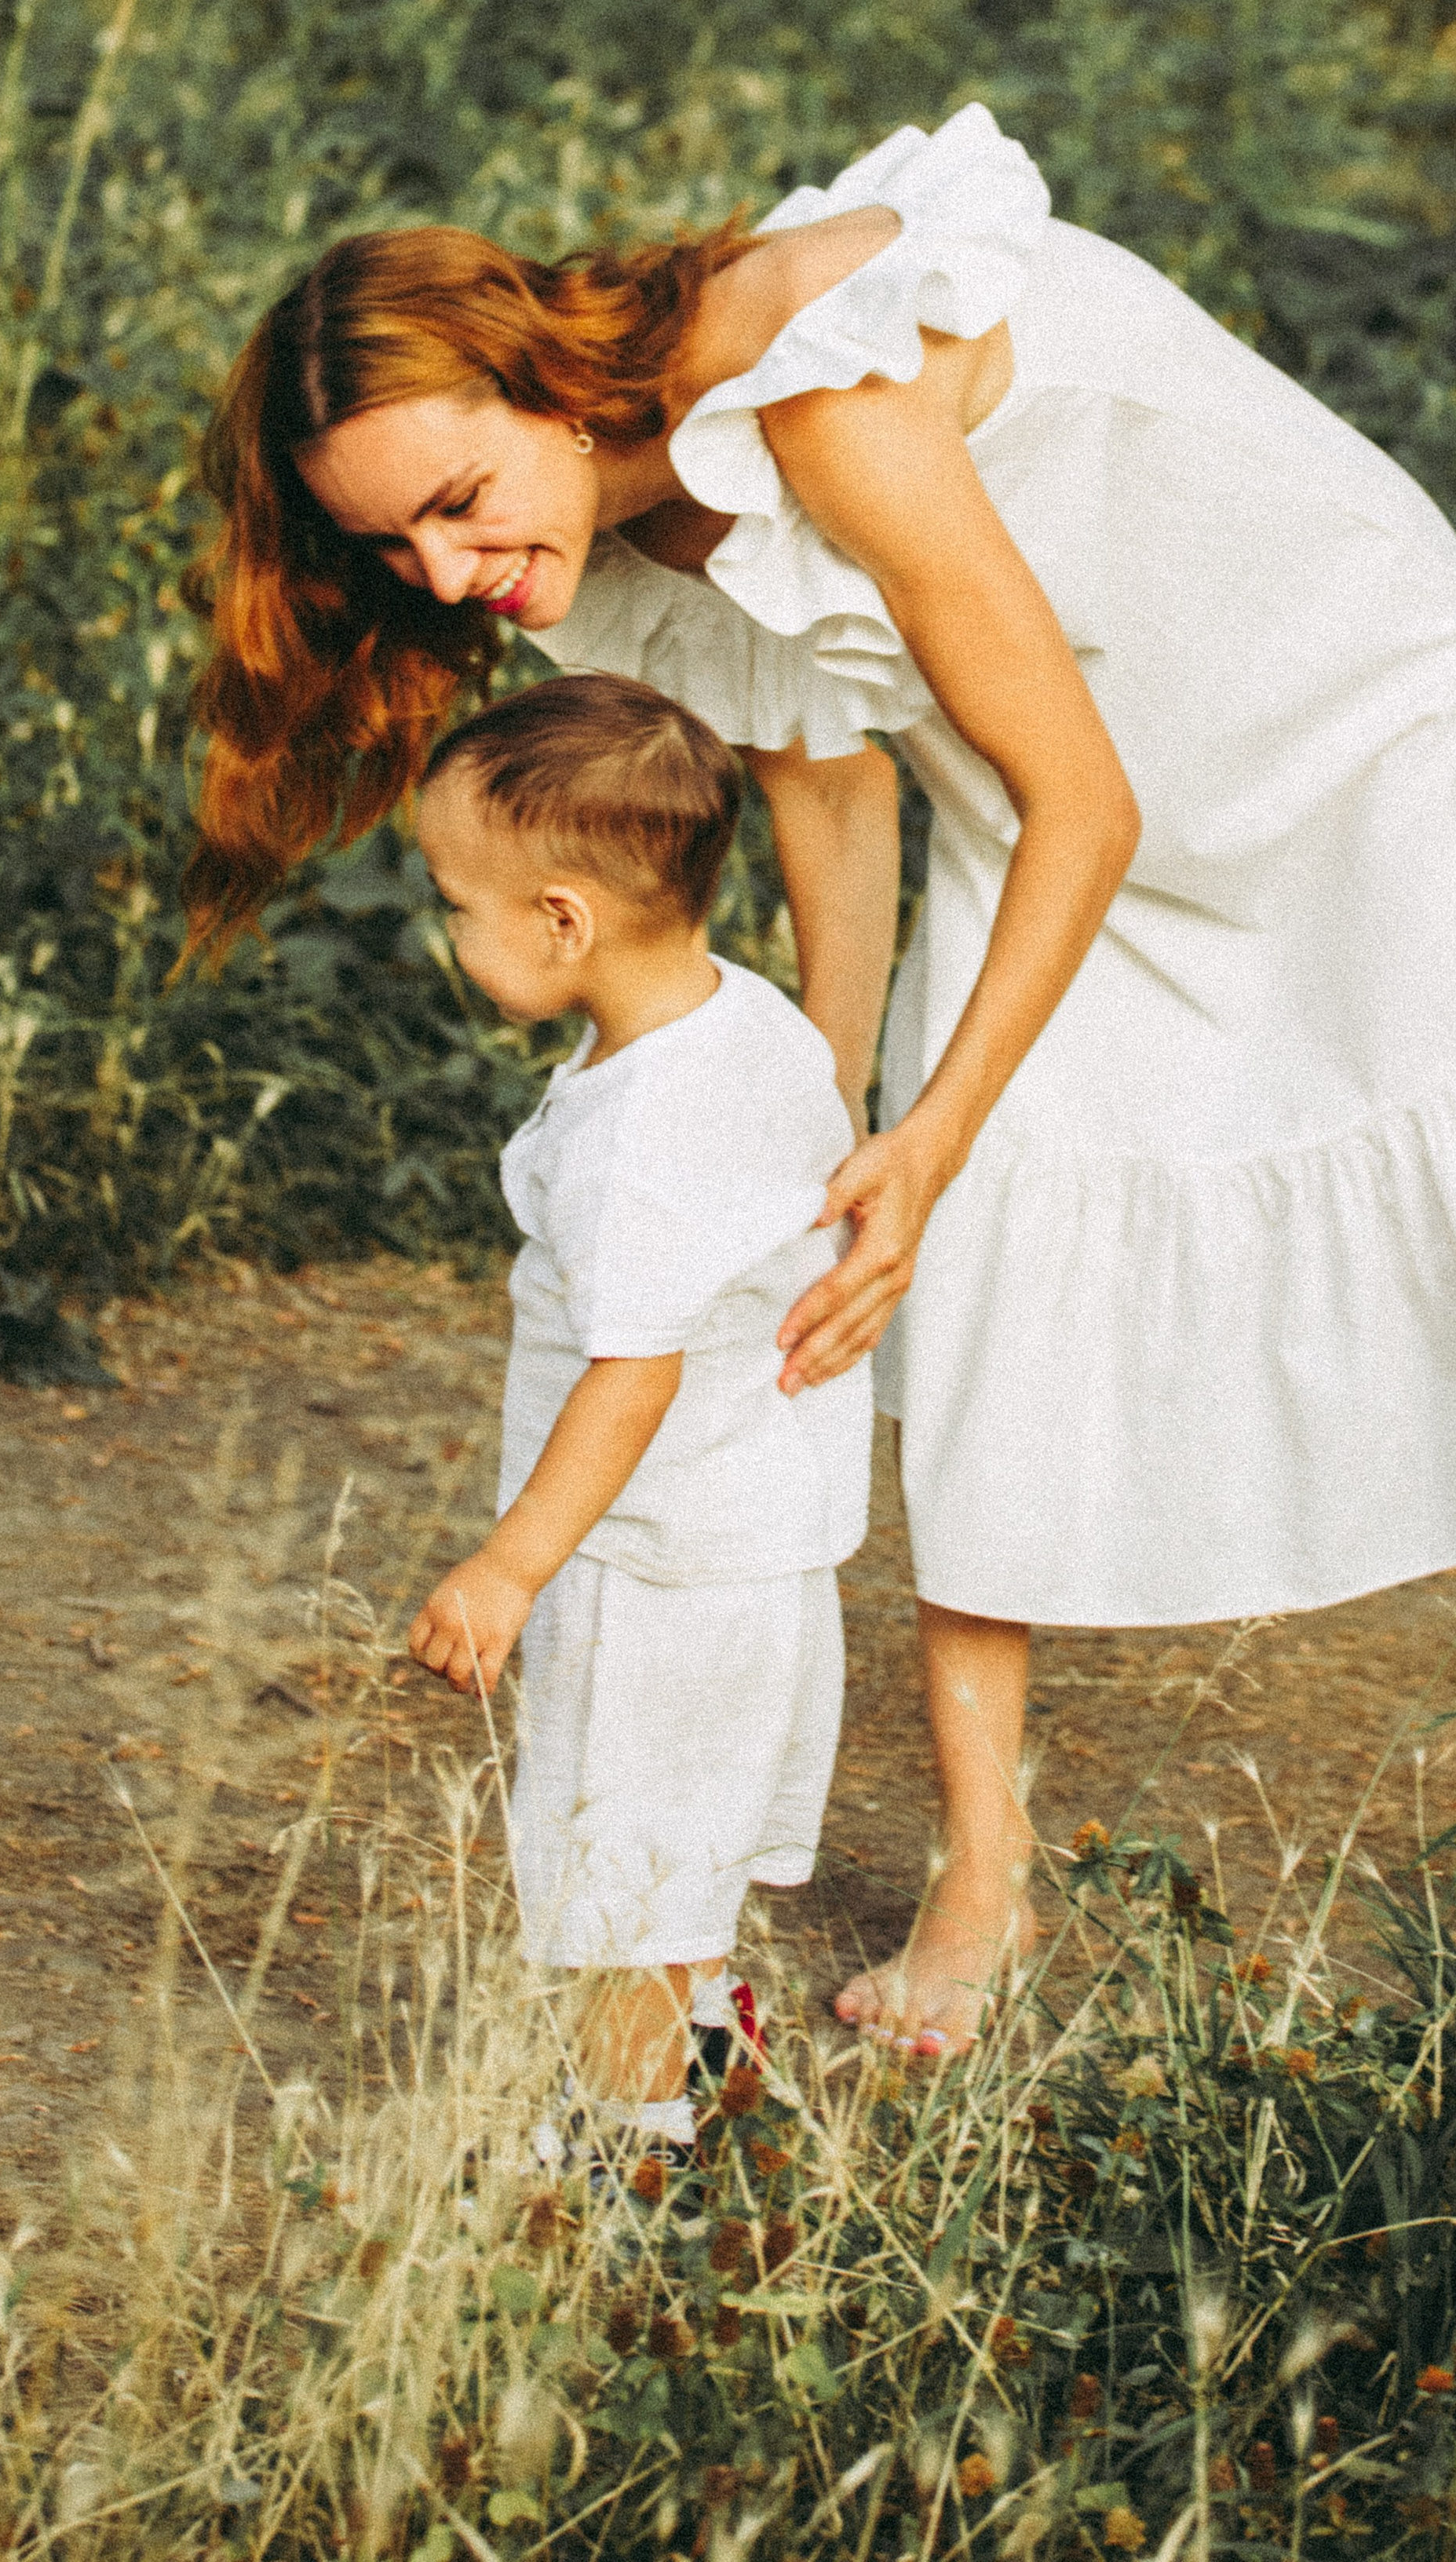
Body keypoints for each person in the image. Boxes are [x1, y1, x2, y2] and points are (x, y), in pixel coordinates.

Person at [187, 101, 1456, 2057]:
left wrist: (934, 1125)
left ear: (544, 381)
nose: (447, 566)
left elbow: (1088, 804)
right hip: (1047, 733)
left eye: (459, 500)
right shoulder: (603, 535)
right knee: (962, 1254)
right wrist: (834, 1123)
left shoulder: (813, 395)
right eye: (394, 544)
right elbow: (828, 781)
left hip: (1330, 702)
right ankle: (988, 1872)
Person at [401, 672, 871, 2142]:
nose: (449, 932)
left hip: (654, 1559)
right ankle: (712, 2047)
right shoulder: (755, 1024)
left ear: (563, 920)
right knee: (686, 1828)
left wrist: (511, 1566)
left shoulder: (638, 1142)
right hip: (758, 1532)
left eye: (457, 904)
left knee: (623, 1871)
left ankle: (625, 2149)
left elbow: (633, 1372)